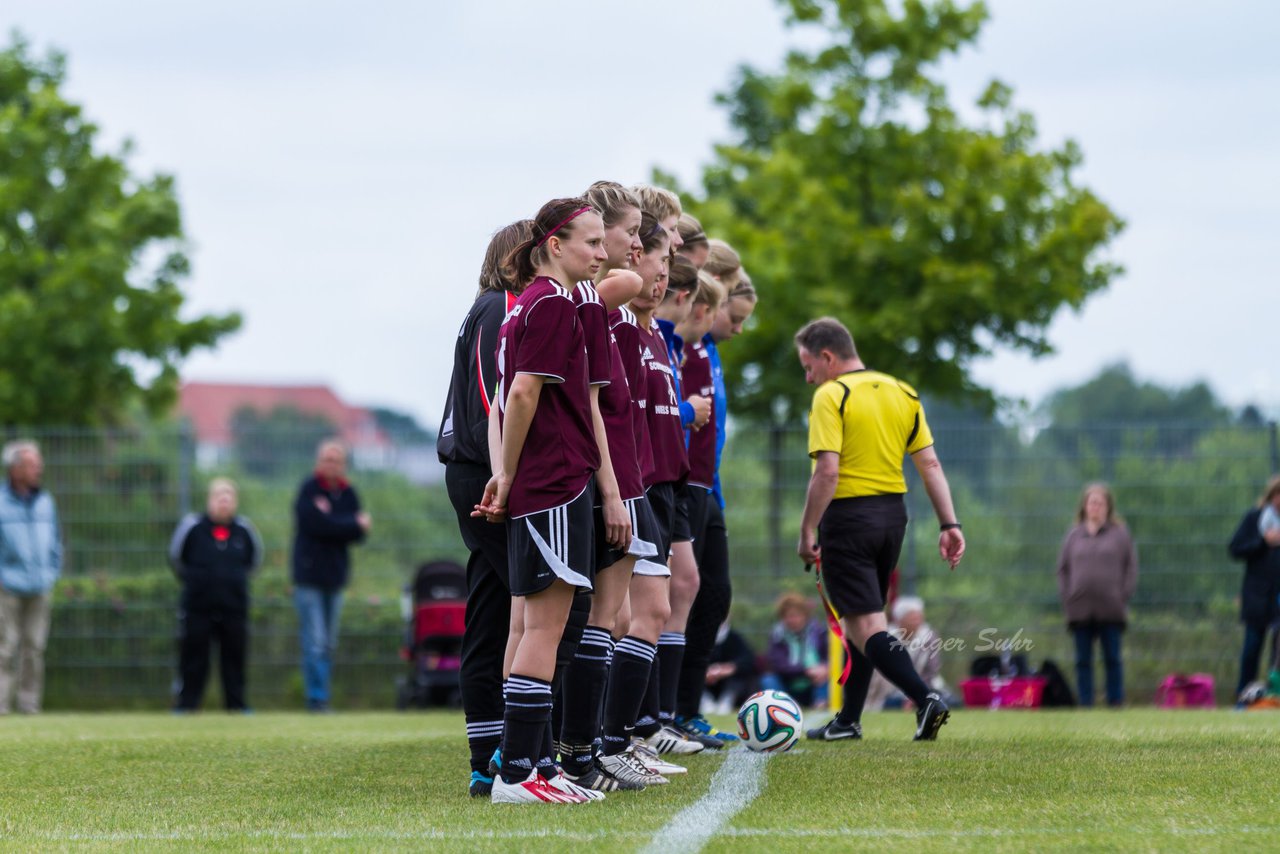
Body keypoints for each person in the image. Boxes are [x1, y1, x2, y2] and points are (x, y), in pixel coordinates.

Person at [474, 196, 607, 805]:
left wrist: (504, 475)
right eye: (591, 242)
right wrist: (512, 472)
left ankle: (534, 765)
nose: (601, 254)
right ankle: (520, 771)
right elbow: (522, 394)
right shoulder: (551, 304)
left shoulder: (522, 307)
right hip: (554, 481)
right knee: (545, 627)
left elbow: (502, 399)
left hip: (535, 483)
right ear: (554, 245)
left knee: (529, 623)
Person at [794, 317, 964, 742]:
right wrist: (950, 523)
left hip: (849, 518)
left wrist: (807, 530)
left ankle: (926, 699)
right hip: (893, 518)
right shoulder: (901, 391)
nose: (808, 375)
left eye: (809, 365)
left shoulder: (832, 396)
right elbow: (930, 464)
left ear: (828, 357)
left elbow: (827, 472)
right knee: (863, 619)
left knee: (868, 623)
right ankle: (848, 721)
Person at [437, 219, 531, 797]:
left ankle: (487, 756)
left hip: (479, 467)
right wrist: (505, 475)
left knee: (494, 605)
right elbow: (495, 398)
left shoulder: (498, 307)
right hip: (484, 470)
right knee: (533, 600)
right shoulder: (498, 308)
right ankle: (515, 750)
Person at [674, 262, 757, 745]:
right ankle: (664, 714)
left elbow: (714, 432)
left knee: (713, 594)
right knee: (680, 595)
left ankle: (684, 711)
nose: (739, 328)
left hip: (708, 487)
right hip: (682, 487)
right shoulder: (682, 346)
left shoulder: (708, 351)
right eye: (736, 315)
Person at [168, 478, 263, 712]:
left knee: (234, 658)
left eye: (229, 495)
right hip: (197, 607)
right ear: (210, 499)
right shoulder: (192, 527)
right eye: (219, 495)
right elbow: (175, 559)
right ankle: (186, 705)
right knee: (193, 657)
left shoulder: (245, 530)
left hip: (234, 607)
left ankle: (237, 706)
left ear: (235, 501)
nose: (224, 500)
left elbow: (254, 562)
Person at [291, 439, 370, 712]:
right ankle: (316, 699)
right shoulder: (308, 490)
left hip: (335, 579)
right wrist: (348, 523)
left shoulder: (349, 493)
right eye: (326, 459)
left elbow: (359, 534)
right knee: (315, 642)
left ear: (343, 465)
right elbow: (316, 525)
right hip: (308, 578)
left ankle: (321, 696)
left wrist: (336, 522)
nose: (330, 464)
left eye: (335, 460)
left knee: (328, 643)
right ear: (318, 462)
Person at [1056, 482, 1138, 708]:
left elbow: (1131, 567)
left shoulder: (1120, 534)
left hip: (1111, 608)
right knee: (1083, 660)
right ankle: (1085, 703)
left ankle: (1115, 701)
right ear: (1084, 506)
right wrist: (1068, 597)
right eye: (1092, 502)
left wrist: (1123, 595)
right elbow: (1062, 569)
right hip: (1079, 609)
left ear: (1108, 507)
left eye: (1100, 503)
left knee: (1112, 658)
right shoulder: (1074, 535)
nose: (1095, 507)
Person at [0, 440, 61, 715]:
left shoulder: (46, 501)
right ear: (14, 469)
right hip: (7, 587)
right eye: (32, 464)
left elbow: (56, 541)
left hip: (40, 586)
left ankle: (29, 706)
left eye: (39, 463)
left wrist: (51, 572)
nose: (39, 468)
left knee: (34, 648)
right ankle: (2, 705)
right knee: (5, 648)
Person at [1228, 475, 1280, 702]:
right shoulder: (1255, 519)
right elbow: (1235, 548)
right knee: (1251, 649)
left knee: (1277, 653)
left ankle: (1272, 695)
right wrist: (1263, 542)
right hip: (1257, 597)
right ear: (1271, 496)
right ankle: (1243, 696)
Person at [865, 596, 953, 711]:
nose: (917, 621)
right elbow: (880, 674)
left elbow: (931, 671)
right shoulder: (886, 636)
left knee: (950, 701)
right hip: (891, 690)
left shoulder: (929, 636)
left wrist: (915, 694)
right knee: (892, 703)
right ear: (899, 620)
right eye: (912, 617)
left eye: (919, 617)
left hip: (924, 686)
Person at [762, 592, 828, 708]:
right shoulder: (777, 635)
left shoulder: (819, 632)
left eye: (796, 615)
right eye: (788, 616)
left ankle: (821, 703)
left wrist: (826, 667)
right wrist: (807, 671)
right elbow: (779, 665)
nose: (792, 620)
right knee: (768, 680)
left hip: (815, 682)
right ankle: (782, 706)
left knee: (827, 676)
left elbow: (831, 657)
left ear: (805, 615)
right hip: (788, 683)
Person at [703, 620, 758, 714]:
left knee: (739, 679)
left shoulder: (736, 638)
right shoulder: (699, 637)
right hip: (705, 684)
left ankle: (727, 701)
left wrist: (730, 668)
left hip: (730, 684)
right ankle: (704, 700)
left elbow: (748, 660)